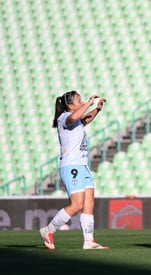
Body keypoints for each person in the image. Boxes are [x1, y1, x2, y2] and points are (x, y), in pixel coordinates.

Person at [40, 91, 109, 250]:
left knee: (88, 203)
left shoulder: (76, 120)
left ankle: (89, 241)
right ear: (71, 105)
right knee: (77, 204)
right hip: (71, 166)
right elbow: (74, 118)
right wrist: (89, 103)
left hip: (83, 165)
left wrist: (97, 109)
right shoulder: (64, 117)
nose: (83, 101)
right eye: (80, 100)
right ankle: (48, 230)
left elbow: (84, 119)